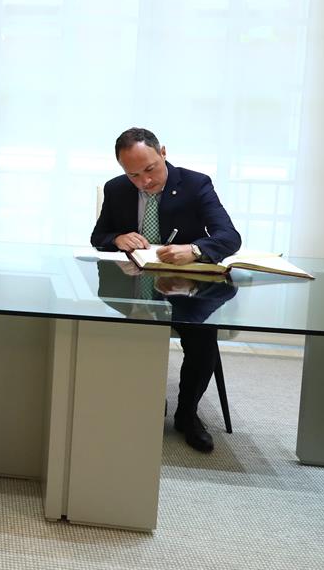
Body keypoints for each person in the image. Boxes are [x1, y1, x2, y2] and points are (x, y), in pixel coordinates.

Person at [90, 127, 242, 453]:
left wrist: (196, 250)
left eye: (150, 169)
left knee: (202, 338)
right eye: (133, 174)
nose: (144, 181)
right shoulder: (117, 190)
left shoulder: (195, 184)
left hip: (187, 287)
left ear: (163, 153)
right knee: (119, 332)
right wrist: (118, 238)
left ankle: (187, 413)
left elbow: (229, 237)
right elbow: (98, 236)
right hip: (134, 284)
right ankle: (145, 403)